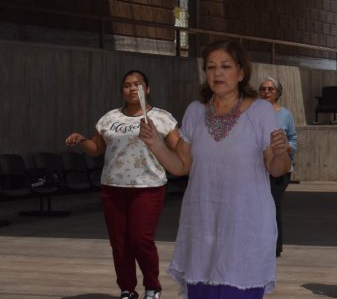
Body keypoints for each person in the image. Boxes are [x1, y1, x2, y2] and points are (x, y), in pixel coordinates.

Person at [139, 40, 291, 299]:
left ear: (241, 72)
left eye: (225, 66)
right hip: (202, 223)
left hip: (245, 225)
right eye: (210, 67)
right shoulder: (195, 112)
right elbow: (182, 166)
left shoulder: (261, 110)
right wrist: (155, 143)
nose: (217, 73)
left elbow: (277, 169)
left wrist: (280, 152)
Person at [65, 70, 179, 299]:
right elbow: (96, 149)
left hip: (147, 187)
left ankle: (152, 287)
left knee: (140, 239)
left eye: (137, 84)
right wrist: (82, 140)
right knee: (120, 244)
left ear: (147, 89)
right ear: (122, 90)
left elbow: (178, 150)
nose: (132, 89)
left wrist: (159, 140)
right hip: (113, 188)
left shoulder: (162, 118)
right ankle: (127, 289)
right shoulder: (110, 118)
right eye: (127, 85)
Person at [259, 76, 299, 258]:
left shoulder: (285, 115)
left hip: (280, 168)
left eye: (270, 89)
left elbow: (293, 138)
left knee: (273, 205)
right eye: (263, 89)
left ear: (277, 93)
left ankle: (274, 246)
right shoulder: (253, 113)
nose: (266, 92)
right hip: (258, 168)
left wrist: (289, 147)